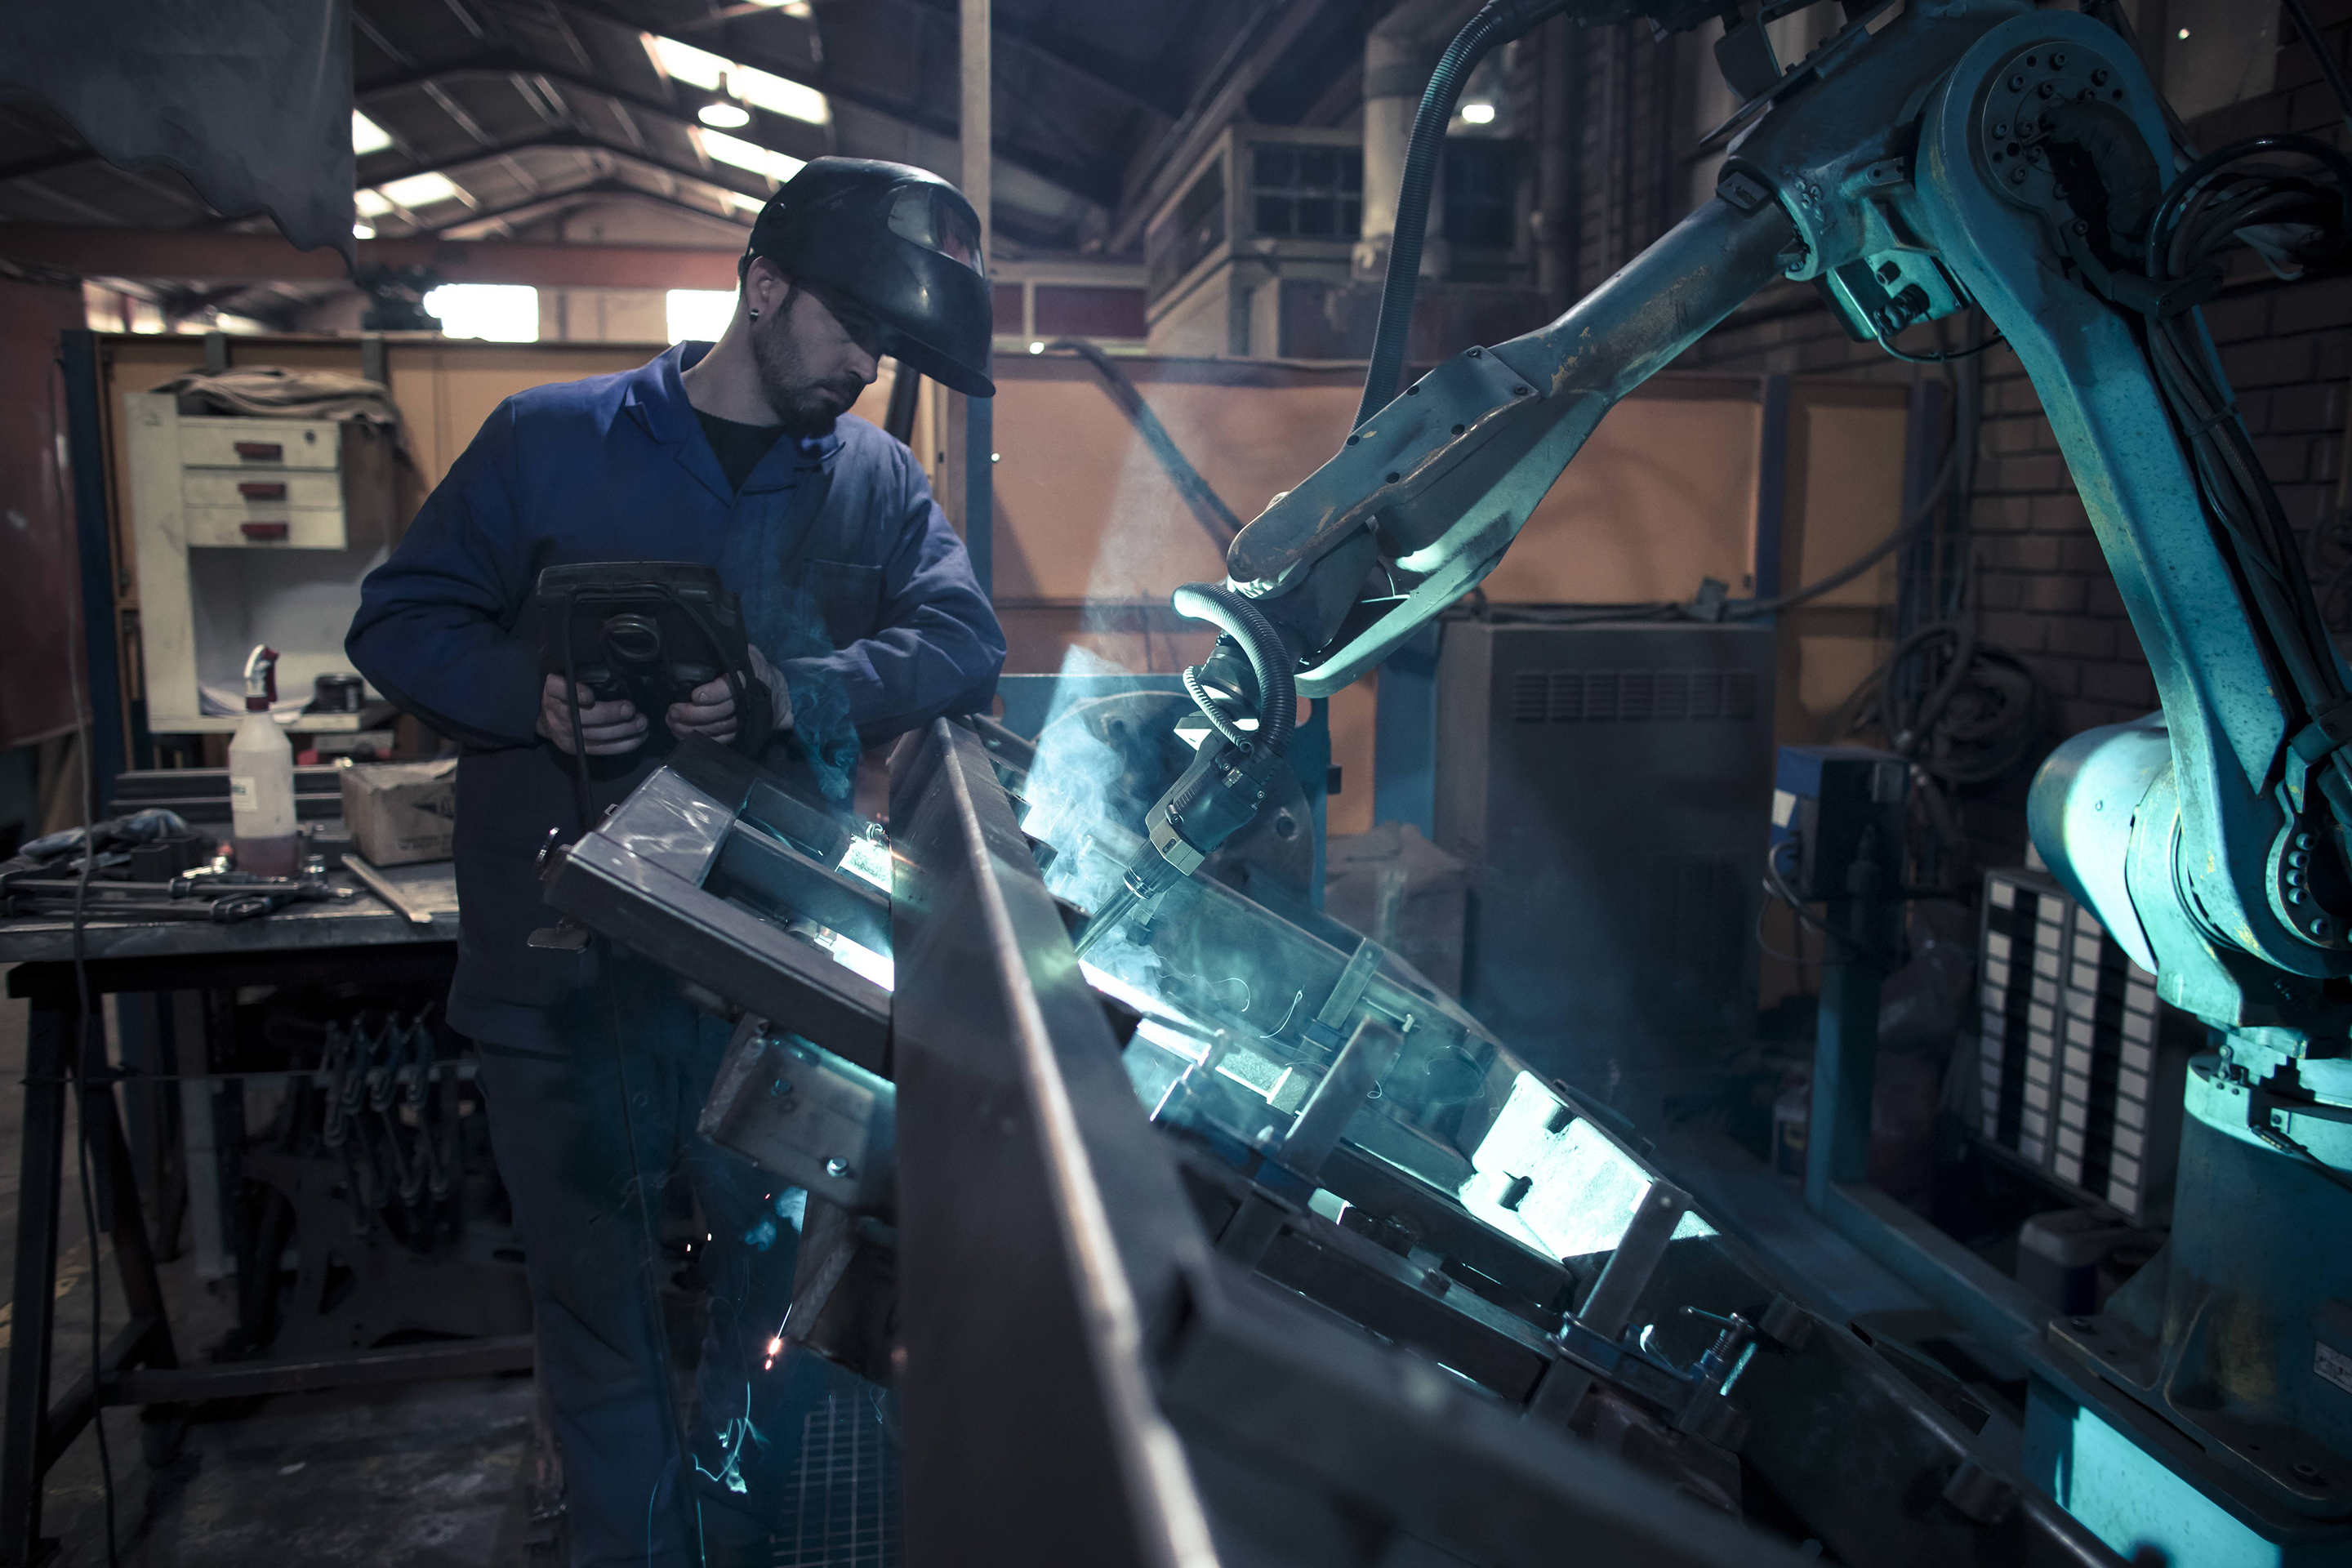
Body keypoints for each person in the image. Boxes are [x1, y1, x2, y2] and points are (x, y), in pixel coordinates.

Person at [345, 158, 1005, 1566]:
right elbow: (398, 623)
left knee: (779, 1313)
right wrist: (530, 690)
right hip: (559, 979)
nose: (865, 369)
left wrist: (793, 689)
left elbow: (965, 642)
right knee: (600, 1327)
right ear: (761, 286)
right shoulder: (546, 444)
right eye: (848, 328)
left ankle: (753, 1540)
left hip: (767, 990)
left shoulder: (877, 481)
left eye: (887, 348)